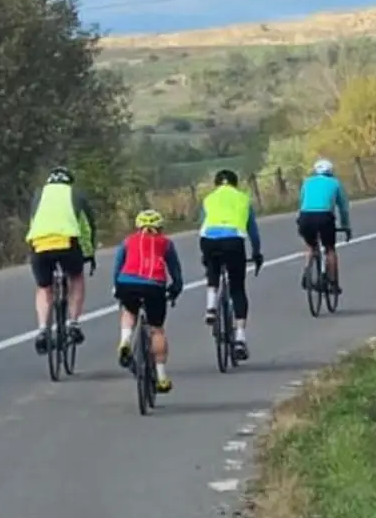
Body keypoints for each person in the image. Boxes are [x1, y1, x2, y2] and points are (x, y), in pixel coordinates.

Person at [113, 209, 185, 394]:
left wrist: (117, 287)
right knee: (157, 329)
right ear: (160, 228)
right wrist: (175, 289)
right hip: (154, 285)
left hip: (127, 282)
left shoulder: (128, 241)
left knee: (129, 311)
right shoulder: (166, 243)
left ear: (138, 227)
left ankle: (125, 341)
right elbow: (175, 271)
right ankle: (161, 378)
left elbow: (117, 266)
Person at [25, 165, 93, 355]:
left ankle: (41, 331)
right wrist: (89, 253)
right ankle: (73, 324)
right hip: (67, 242)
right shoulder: (75, 194)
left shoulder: (39, 195)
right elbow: (86, 227)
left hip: (40, 243)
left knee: (44, 288)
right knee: (76, 277)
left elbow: (33, 223)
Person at [199, 168, 264, 359]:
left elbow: (203, 223)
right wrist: (256, 253)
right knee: (237, 288)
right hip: (234, 241)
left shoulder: (209, 199)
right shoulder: (243, 199)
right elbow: (253, 232)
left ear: (216, 184)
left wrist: (205, 255)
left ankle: (211, 307)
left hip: (208, 239)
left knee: (212, 270)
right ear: (236, 184)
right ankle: (240, 338)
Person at [296, 157, 352, 290]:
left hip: (305, 216)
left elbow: (301, 202)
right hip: (324, 217)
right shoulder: (335, 183)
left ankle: (306, 274)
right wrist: (346, 226)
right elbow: (343, 207)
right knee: (330, 249)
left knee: (311, 246)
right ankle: (333, 282)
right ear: (331, 171)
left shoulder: (307, 182)